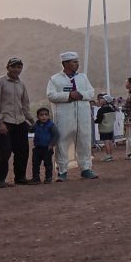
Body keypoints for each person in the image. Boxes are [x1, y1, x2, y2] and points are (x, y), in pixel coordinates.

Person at [47, 51, 97, 181]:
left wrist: (81, 95)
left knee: (84, 142)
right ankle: (62, 171)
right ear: (65, 63)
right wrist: (68, 96)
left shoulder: (83, 77)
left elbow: (91, 92)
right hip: (64, 117)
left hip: (83, 117)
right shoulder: (55, 79)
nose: (77, 64)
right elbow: (51, 95)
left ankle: (86, 169)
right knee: (62, 143)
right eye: (74, 62)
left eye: (77, 61)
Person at [0, 57, 35, 187]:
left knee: (23, 151)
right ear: (8, 68)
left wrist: (32, 121)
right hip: (5, 121)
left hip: (20, 121)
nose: (16, 69)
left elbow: (25, 105)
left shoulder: (21, 85)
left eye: (19, 67)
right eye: (13, 67)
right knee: (5, 151)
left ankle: (20, 178)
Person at [30, 107, 58, 184]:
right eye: (41, 115)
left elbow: (56, 135)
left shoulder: (51, 125)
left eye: (46, 115)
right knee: (35, 164)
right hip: (37, 148)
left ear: (48, 116)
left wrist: (51, 144)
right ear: (37, 116)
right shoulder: (36, 125)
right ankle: (36, 178)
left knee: (48, 164)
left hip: (47, 148)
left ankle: (48, 178)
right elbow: (30, 131)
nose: (44, 116)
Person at [94, 94, 117, 162]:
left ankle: (107, 155)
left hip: (104, 128)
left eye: (102, 99)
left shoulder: (101, 110)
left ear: (105, 101)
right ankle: (110, 155)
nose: (100, 100)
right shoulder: (112, 109)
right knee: (110, 142)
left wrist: (94, 121)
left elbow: (99, 120)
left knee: (106, 142)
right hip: (110, 127)